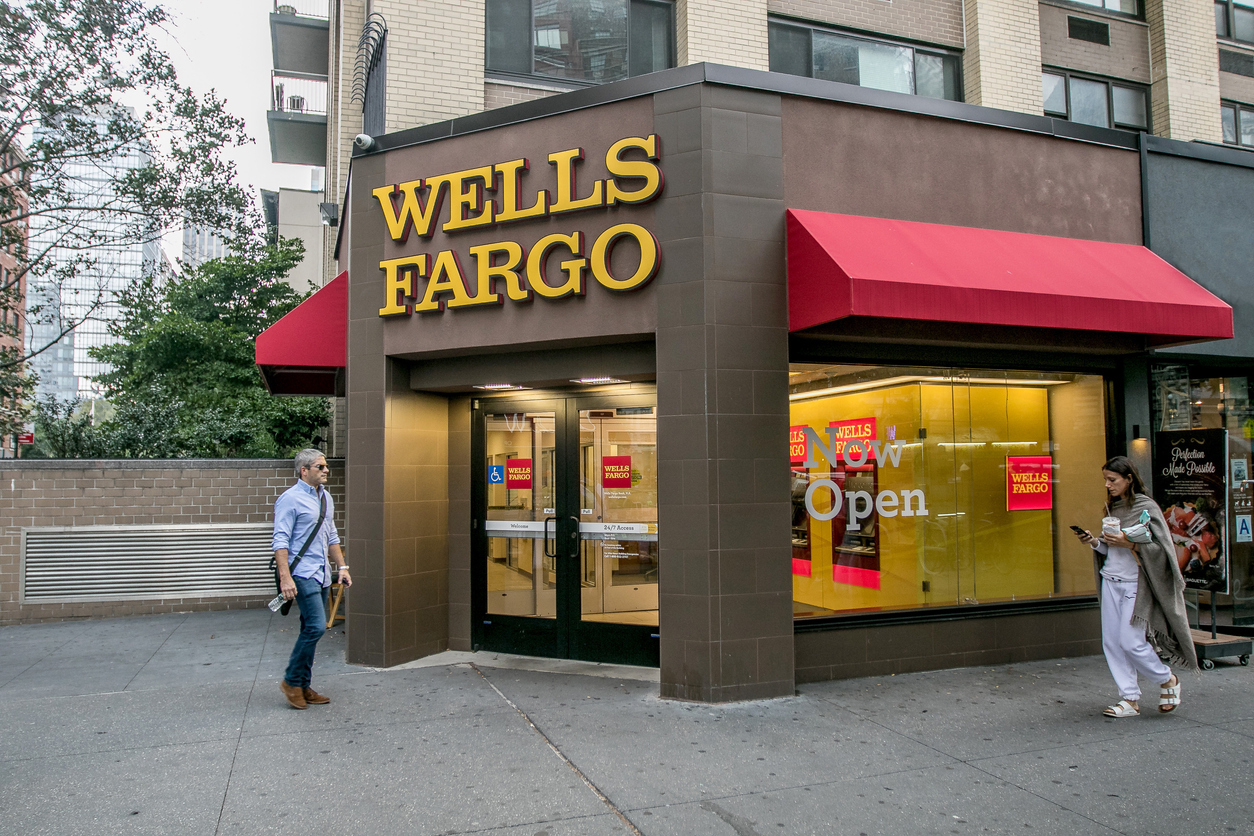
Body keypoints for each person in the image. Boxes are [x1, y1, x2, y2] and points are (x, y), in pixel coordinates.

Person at [1073, 456, 1197, 718]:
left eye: (1113, 480)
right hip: (1111, 580)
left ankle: (1167, 679)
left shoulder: (1146, 507)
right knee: (1112, 643)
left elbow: (1163, 550)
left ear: (1129, 479)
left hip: (1135, 584)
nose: (1108, 485)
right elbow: (1110, 548)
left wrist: (1129, 543)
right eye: (1105, 480)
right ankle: (1129, 698)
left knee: (1131, 643)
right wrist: (1094, 542)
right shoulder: (1113, 508)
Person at [272, 448, 351, 710]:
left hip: (322, 573)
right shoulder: (290, 499)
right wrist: (286, 579)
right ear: (304, 470)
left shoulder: (325, 498)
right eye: (320, 466)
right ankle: (291, 681)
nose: (326, 470)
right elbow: (280, 541)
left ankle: (303, 685)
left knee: (311, 628)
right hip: (301, 573)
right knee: (316, 627)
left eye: (326, 466)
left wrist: (342, 567)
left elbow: (332, 536)